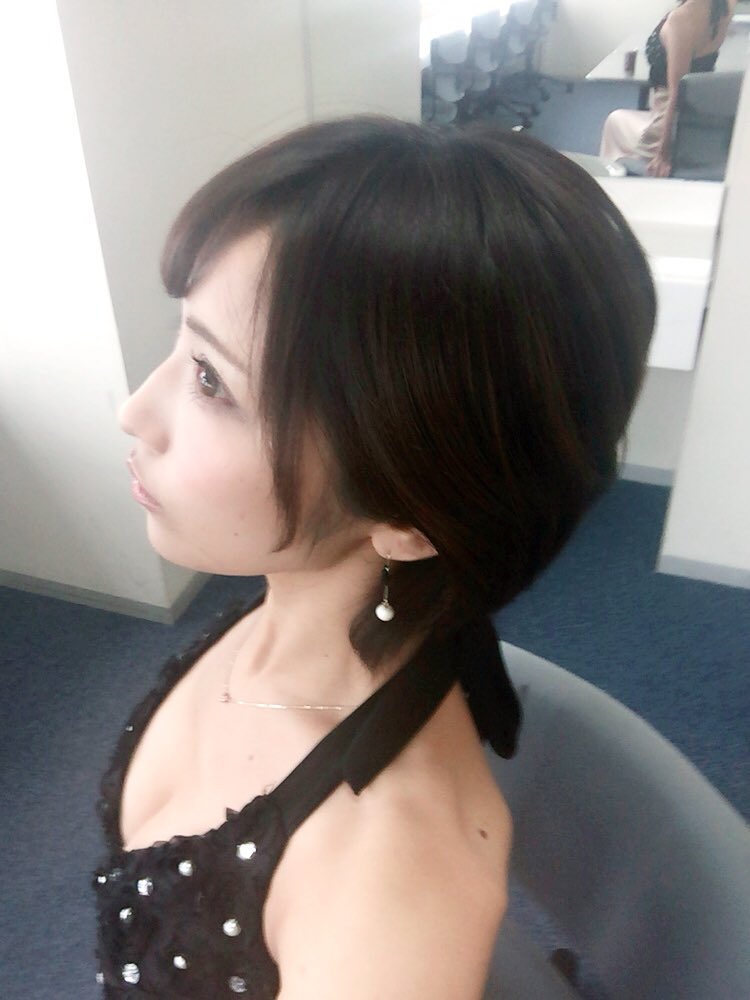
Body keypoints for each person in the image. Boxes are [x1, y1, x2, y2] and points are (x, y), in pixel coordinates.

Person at [93, 116, 656, 999]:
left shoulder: (386, 891)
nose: (135, 410)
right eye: (183, 340)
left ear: (407, 516)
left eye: (211, 381)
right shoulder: (290, 606)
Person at [600, 0, 736, 176]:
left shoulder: (681, 20)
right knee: (618, 119)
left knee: (615, 122)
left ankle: (609, 184)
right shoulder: (725, 8)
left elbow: (677, 94)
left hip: (668, 122)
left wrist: (663, 153)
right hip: (697, 118)